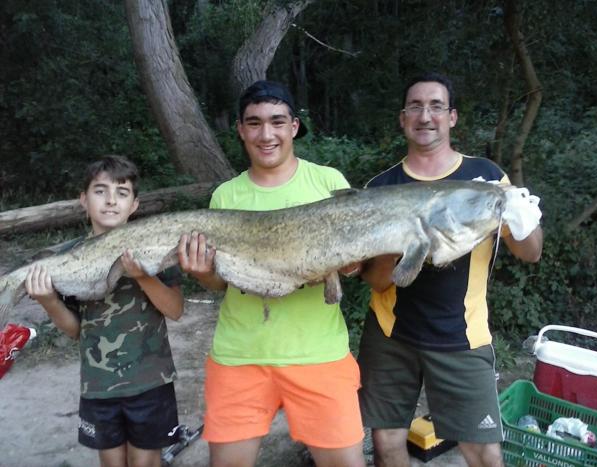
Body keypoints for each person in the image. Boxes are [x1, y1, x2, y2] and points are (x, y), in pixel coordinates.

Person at [357, 72, 543, 467]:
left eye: (436, 106)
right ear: (403, 118)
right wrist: (399, 244)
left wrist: (523, 221)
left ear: (452, 117)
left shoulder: (487, 179)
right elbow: (373, 281)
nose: (426, 116)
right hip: (391, 334)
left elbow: (531, 253)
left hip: (462, 334)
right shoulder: (380, 187)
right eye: (416, 107)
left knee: (484, 451)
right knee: (388, 438)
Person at [177, 80, 366, 467]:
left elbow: (355, 264)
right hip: (240, 355)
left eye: (277, 122)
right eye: (255, 123)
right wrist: (200, 273)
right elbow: (220, 282)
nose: (267, 134)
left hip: (319, 354)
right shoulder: (225, 197)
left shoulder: (329, 182)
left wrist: (349, 262)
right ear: (241, 130)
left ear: (294, 126)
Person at [25, 155, 184, 467]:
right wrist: (49, 301)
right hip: (98, 387)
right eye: (100, 191)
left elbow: (175, 309)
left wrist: (142, 275)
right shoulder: (68, 257)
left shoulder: (157, 247)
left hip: (151, 383)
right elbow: (74, 330)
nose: (111, 201)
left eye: (122, 193)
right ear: (84, 200)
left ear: (134, 205)